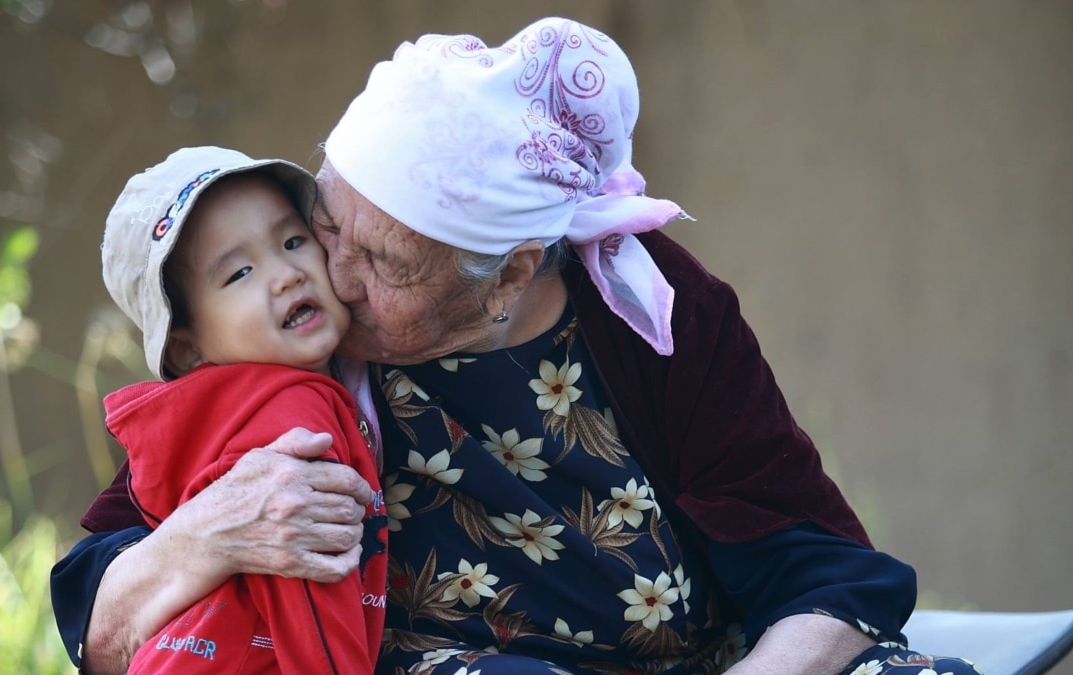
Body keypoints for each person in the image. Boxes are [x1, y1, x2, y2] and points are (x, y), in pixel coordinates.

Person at [53, 17, 982, 675]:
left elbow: (816, 568)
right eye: (323, 223)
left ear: (508, 277)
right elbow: (99, 617)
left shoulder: (651, 309)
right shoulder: (291, 360)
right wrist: (207, 532)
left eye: (382, 262)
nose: (328, 275)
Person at [90, 145, 387, 673]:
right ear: (187, 348)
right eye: (239, 273)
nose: (286, 274)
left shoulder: (214, 417)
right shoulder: (292, 421)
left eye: (293, 241)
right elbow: (311, 592)